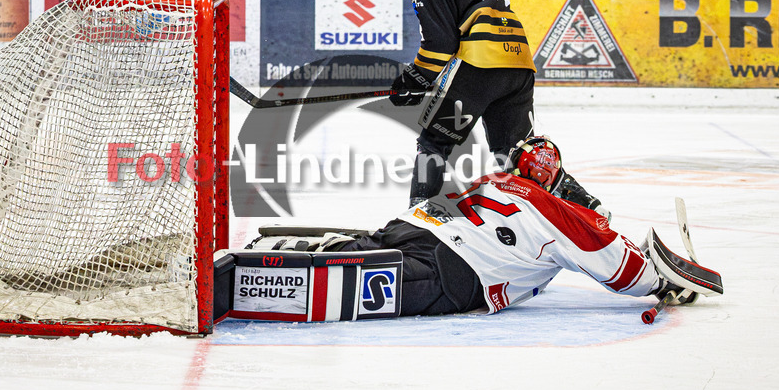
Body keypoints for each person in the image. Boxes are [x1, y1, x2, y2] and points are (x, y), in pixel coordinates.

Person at [263, 136, 722, 319]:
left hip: (409, 226)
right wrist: (660, 280)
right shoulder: (552, 207)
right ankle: (257, 282)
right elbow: (620, 270)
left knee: (362, 249)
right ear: (551, 179)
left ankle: (295, 247)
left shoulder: (487, 179)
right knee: (347, 286)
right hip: (456, 267)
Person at [388, 0, 606, 214]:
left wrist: (415, 77)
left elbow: (441, 42)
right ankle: (586, 208)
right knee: (517, 154)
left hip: (479, 66)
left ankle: (418, 217)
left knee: (434, 143)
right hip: (518, 65)